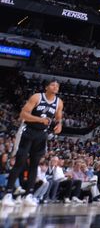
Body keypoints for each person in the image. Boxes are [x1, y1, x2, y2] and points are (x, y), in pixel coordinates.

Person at [1, 79, 63, 208]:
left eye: (57, 86)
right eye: (53, 84)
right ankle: (8, 194)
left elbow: (58, 118)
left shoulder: (59, 102)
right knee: (20, 162)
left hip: (41, 134)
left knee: (35, 165)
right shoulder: (37, 97)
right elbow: (23, 114)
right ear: (46, 87)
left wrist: (59, 125)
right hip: (27, 131)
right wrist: (40, 120)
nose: (55, 87)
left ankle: (28, 195)